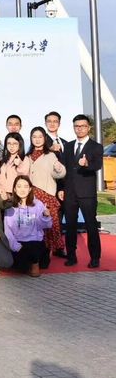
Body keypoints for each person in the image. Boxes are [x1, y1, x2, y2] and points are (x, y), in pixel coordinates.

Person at [60, 114, 104, 268]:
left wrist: (86, 164)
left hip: (87, 194)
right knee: (70, 226)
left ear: (88, 128)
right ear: (73, 128)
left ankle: (95, 258)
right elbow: (64, 169)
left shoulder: (96, 146)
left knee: (91, 226)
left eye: (83, 126)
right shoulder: (68, 146)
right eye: (76, 126)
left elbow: (97, 165)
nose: (79, 129)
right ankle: (71, 256)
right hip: (70, 193)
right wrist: (61, 188)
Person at [26, 127, 66, 259]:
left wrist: (59, 169)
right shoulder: (27, 156)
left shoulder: (50, 155)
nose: (37, 139)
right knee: (36, 224)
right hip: (32, 195)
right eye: (34, 137)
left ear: (44, 138)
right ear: (31, 139)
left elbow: (58, 173)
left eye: (40, 137)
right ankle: (41, 250)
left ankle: (57, 248)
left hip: (46, 193)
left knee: (52, 223)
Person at [3, 176, 52, 277]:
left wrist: (45, 216)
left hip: (34, 241)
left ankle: (37, 261)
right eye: (19, 186)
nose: (22, 190)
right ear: (14, 189)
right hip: (18, 243)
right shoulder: (9, 206)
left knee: (35, 252)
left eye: (25, 186)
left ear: (30, 189)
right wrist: (16, 246)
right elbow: (8, 231)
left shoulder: (38, 204)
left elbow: (46, 225)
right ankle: (32, 261)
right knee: (19, 268)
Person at [0, 132, 31, 201]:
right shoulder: (4, 159)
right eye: (9, 143)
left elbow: (24, 177)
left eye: (15, 143)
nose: (11, 146)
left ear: (20, 144)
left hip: (17, 196)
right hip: (2, 196)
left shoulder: (24, 159)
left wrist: (20, 165)